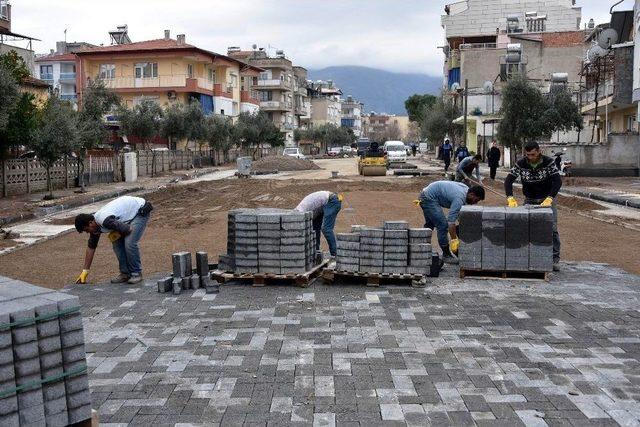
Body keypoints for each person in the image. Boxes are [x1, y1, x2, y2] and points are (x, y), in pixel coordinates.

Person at [504, 141, 562, 271]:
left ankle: (554, 259)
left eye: (533, 154)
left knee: (551, 229)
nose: (531, 157)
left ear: (539, 151)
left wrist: (550, 198)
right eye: (528, 155)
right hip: (529, 200)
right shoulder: (521, 164)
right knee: (526, 228)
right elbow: (508, 180)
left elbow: (557, 181)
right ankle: (527, 256)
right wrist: (510, 197)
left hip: (546, 200)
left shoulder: (549, 162)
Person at [74, 196, 153, 284]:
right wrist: (85, 271)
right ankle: (125, 274)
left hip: (139, 211)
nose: (88, 233)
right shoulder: (95, 225)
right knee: (116, 244)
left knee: (129, 243)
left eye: (87, 230)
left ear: (91, 223)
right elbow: (91, 248)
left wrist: (117, 233)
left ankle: (136, 273)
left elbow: (128, 229)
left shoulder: (105, 220)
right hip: (126, 216)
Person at [417, 181, 485, 264]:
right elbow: (451, 222)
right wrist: (454, 240)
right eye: (476, 200)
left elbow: (460, 215)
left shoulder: (466, 189)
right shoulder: (459, 198)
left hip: (427, 193)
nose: (475, 203)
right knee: (442, 225)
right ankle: (446, 255)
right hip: (428, 198)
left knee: (430, 224)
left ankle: (420, 250)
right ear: (472, 194)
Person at [295, 191, 343, 257]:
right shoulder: (302, 210)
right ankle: (316, 253)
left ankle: (335, 255)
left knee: (326, 229)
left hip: (332, 201)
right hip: (321, 207)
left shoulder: (300, 211)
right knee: (315, 230)